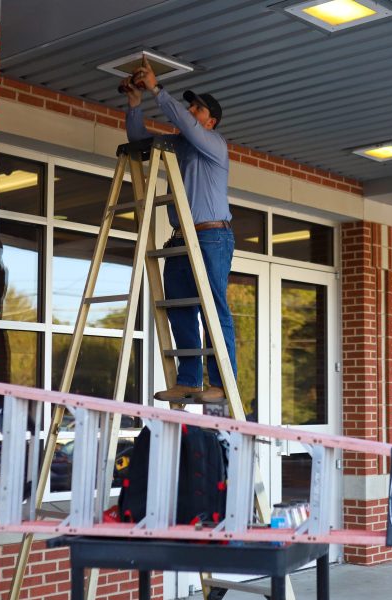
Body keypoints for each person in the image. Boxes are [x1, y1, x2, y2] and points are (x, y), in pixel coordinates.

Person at [122, 57, 235, 405]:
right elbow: (140, 140)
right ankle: (188, 381)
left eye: (196, 108)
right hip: (182, 237)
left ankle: (221, 383)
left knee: (214, 308)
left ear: (210, 120)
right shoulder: (181, 145)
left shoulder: (215, 143)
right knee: (179, 307)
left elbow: (185, 123)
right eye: (190, 106)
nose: (189, 110)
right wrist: (135, 106)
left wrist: (157, 88)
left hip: (211, 235)